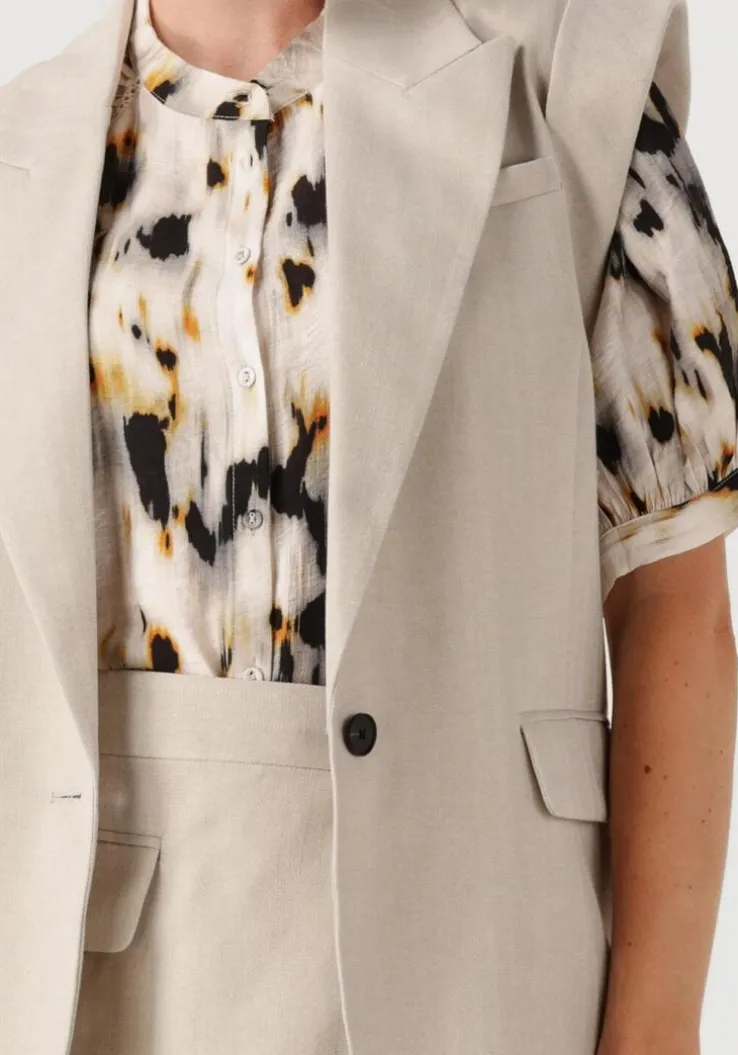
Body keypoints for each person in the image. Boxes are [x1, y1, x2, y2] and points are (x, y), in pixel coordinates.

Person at [0, 0, 735, 1053]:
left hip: (479, 961)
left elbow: (674, 601)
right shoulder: (24, 151)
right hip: (100, 981)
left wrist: (656, 1028)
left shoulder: (565, 77)